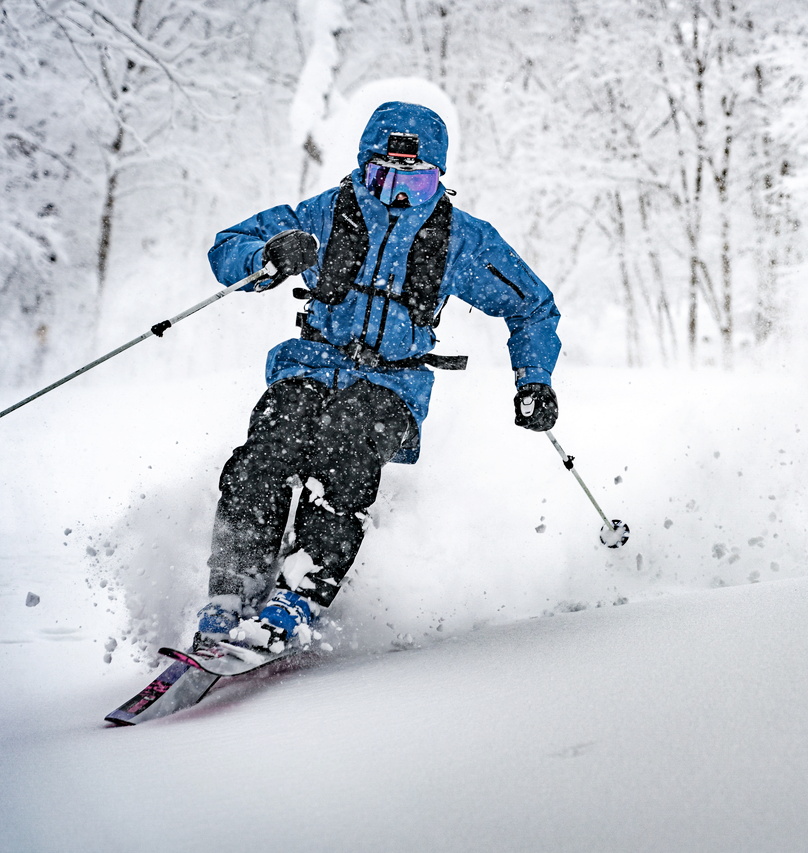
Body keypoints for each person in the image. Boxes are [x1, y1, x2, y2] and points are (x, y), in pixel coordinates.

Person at [192, 101, 561, 655]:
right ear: (362, 166)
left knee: (345, 444)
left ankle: (301, 594)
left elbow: (532, 305)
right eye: (383, 175)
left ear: (440, 177)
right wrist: (268, 253)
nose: (398, 193)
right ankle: (232, 590)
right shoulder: (324, 214)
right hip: (310, 363)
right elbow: (228, 247)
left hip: (392, 384)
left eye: (417, 180)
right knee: (268, 447)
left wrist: (533, 379)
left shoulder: (460, 239)